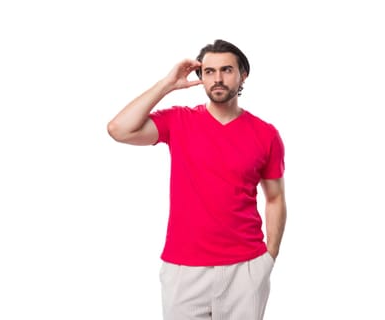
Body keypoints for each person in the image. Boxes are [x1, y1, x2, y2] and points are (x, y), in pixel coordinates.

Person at [107, 39, 287, 320]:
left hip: (246, 267)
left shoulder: (266, 134)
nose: (217, 78)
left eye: (227, 70)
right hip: (184, 268)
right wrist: (166, 84)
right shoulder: (178, 121)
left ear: (243, 75)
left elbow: (275, 197)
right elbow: (119, 129)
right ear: (200, 77)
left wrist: (270, 256)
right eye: (209, 71)